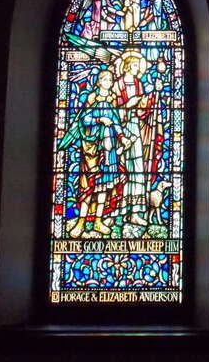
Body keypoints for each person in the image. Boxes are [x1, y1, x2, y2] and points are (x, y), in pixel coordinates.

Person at [62, 70, 124, 238]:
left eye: (111, 80)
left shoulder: (111, 103)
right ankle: (80, 223)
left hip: (108, 149)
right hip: (93, 150)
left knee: (104, 186)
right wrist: (100, 120)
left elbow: (116, 122)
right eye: (105, 79)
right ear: (98, 82)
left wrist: (122, 137)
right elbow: (84, 120)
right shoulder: (92, 100)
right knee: (88, 187)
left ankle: (98, 221)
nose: (109, 82)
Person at [114, 51, 154, 226]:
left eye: (139, 65)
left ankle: (135, 212)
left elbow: (143, 108)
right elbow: (111, 107)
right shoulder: (117, 85)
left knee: (137, 168)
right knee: (120, 169)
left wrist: (148, 100)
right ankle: (117, 212)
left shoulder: (139, 84)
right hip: (118, 129)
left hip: (134, 126)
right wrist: (126, 106)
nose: (138, 68)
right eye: (135, 65)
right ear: (128, 66)